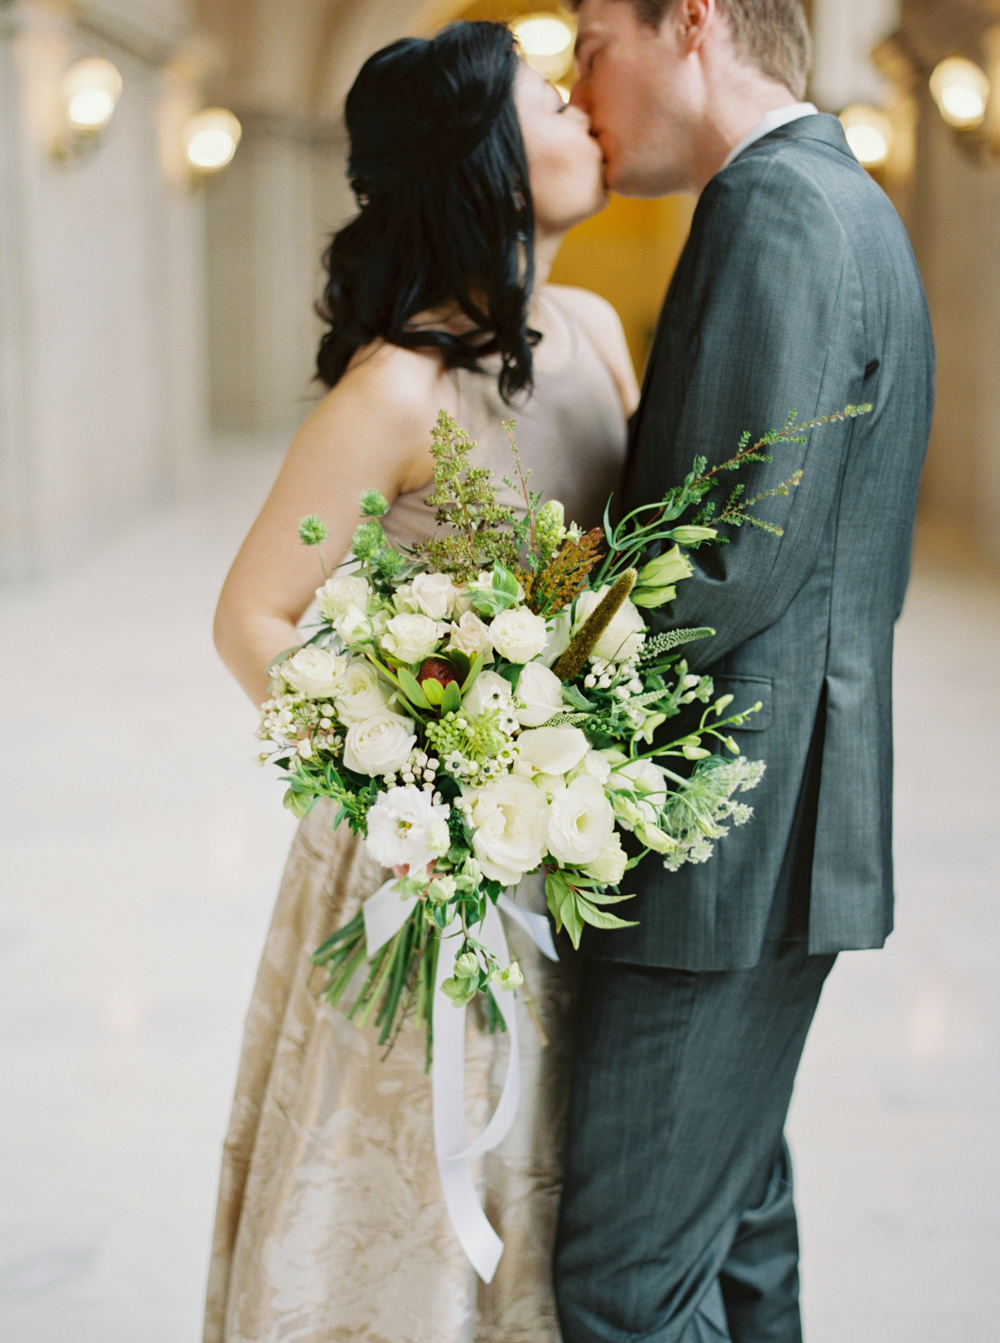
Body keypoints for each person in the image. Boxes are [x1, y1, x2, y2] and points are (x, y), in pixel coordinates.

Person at [205, 21, 637, 1343]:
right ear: (491, 164)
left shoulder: (600, 331)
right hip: (426, 861)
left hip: (568, 835)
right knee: (405, 1191)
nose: (585, 116)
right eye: (549, 104)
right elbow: (255, 616)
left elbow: (606, 579)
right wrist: (421, 755)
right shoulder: (394, 393)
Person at [554, 1, 934, 1340]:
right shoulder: (840, 197)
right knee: (729, 1238)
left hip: (726, 841)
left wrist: (521, 690)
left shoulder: (773, 206)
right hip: (776, 821)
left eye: (591, 39)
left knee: (626, 1282)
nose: (579, 80)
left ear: (693, 22)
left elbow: (730, 561)